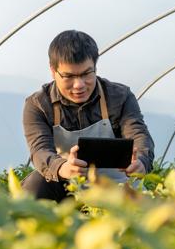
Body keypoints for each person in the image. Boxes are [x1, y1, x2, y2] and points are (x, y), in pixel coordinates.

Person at [21, 30, 155, 201]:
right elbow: (40, 149)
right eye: (69, 76)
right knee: (35, 185)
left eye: (86, 74)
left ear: (95, 67)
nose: (79, 85)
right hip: (68, 185)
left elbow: (138, 134)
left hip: (116, 186)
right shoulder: (39, 104)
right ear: (53, 71)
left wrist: (141, 162)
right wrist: (62, 167)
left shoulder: (120, 97)